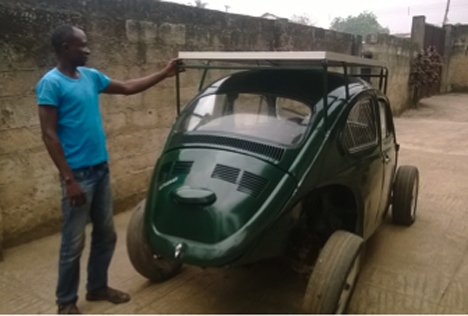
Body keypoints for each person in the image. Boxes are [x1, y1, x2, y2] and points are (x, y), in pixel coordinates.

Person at [36, 24, 180, 314]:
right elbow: (49, 135)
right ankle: (65, 302)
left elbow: (127, 88)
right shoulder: (51, 84)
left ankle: (97, 287)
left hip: (100, 170)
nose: (88, 49)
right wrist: (69, 180)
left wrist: (164, 74)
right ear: (66, 47)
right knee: (73, 242)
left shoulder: (90, 77)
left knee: (106, 234)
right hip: (78, 176)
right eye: (83, 45)